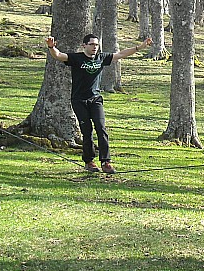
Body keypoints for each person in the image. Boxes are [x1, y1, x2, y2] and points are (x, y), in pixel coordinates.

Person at [45, 33, 152, 173]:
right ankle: (89, 161)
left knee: (101, 129)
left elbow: (120, 54)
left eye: (96, 45)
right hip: (79, 100)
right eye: (91, 44)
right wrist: (51, 47)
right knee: (87, 131)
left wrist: (140, 47)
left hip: (96, 99)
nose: (95, 47)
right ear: (84, 45)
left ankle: (106, 162)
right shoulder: (77, 58)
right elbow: (59, 56)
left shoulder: (102, 58)